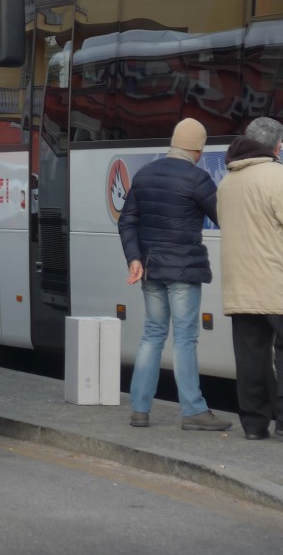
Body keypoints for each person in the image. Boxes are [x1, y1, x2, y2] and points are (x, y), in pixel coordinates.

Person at [118, 117, 231, 431]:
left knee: (152, 335)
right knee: (184, 339)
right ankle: (193, 410)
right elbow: (223, 216)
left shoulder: (145, 174)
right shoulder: (197, 178)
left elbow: (126, 221)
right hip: (182, 270)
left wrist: (134, 258)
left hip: (151, 269)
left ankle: (140, 409)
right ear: (197, 149)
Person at [215, 116, 283, 440]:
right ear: (276, 145)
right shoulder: (277, 177)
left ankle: (255, 425)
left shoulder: (227, 182)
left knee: (250, 356)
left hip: (239, 283)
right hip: (275, 280)